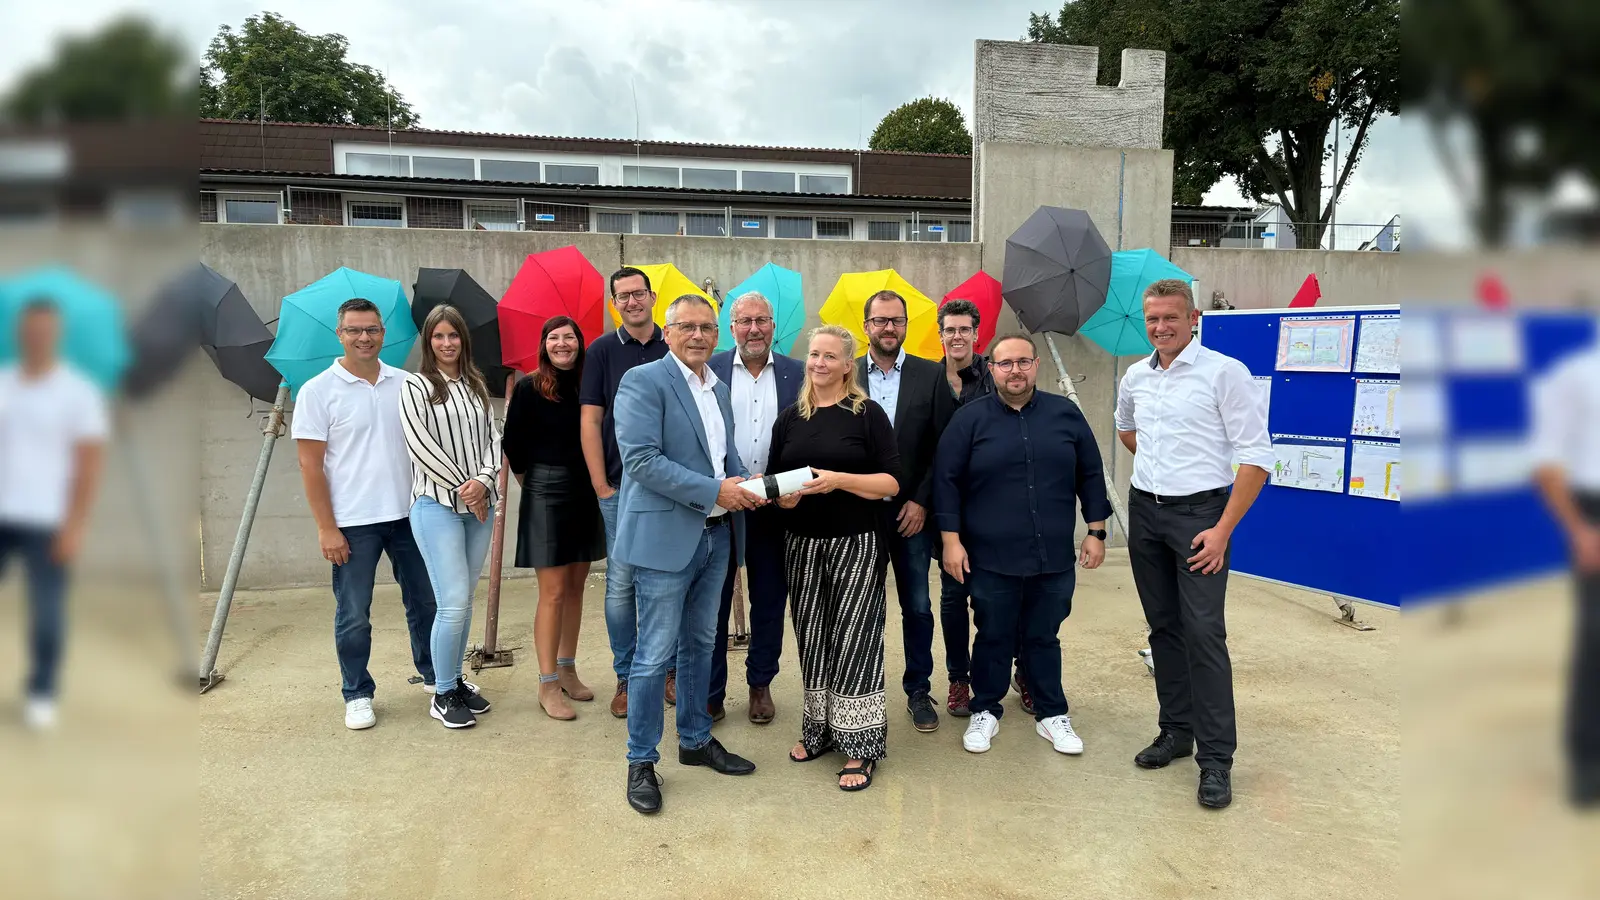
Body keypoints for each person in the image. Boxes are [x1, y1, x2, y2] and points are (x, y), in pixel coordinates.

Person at [1113, 278, 1273, 810]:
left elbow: (1256, 458)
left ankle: (1216, 760)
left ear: (1194, 317)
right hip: (1147, 512)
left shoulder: (1224, 373)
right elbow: (1127, 429)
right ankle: (1176, 732)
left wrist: (1222, 528)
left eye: (1171, 318)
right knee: (1164, 628)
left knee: (1204, 633)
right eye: (1153, 319)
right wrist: (1161, 464)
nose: (1161, 328)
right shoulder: (1136, 375)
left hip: (1202, 518)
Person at [612, 294, 761, 815]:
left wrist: (750, 483)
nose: (698, 335)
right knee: (653, 655)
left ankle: (696, 740)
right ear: (668, 331)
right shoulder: (644, 381)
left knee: (701, 644)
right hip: (665, 538)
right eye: (687, 327)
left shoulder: (715, 387)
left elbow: (724, 457)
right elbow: (642, 461)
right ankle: (641, 760)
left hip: (717, 536)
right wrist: (716, 490)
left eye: (706, 327)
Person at [935, 334, 1110, 756]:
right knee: (993, 633)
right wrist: (951, 542)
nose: (1015, 370)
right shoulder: (969, 420)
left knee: (1043, 634)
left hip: (1051, 554)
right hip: (990, 556)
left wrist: (1096, 530)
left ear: (1035, 366)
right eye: (1005, 363)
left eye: (1023, 362)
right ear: (991, 369)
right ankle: (985, 710)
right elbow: (946, 482)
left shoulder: (1066, 415)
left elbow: (1090, 473)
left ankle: (1052, 714)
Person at [293, 298, 440, 731]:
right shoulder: (318, 391)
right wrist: (326, 527)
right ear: (339, 335)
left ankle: (437, 678)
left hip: (410, 515)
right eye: (354, 330)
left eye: (372, 329)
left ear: (383, 334)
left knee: (427, 603)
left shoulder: (407, 384)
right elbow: (309, 466)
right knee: (354, 613)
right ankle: (357, 692)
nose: (364, 337)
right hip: (353, 523)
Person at [771, 325, 901, 792]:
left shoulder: (868, 415)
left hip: (856, 542)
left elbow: (890, 483)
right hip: (802, 544)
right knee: (812, 639)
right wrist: (781, 498)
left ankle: (860, 746)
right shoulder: (790, 417)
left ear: (849, 365)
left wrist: (838, 480)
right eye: (814, 355)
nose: (819, 363)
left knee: (856, 640)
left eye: (830, 356)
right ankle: (819, 729)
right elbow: (777, 481)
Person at [0, 299, 107, 730]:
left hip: (49, 520)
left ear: (55, 335)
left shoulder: (76, 391)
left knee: (46, 612)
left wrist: (75, 524)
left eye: (45, 331)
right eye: (30, 331)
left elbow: (88, 462)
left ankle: (42, 692)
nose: (37, 338)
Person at [856, 290, 955, 734]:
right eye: (880, 321)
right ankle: (866, 690)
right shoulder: (846, 372)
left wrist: (922, 499)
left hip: (911, 513)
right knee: (863, 606)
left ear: (906, 327)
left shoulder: (929, 375)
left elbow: (945, 445)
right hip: (857, 514)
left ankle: (918, 689)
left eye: (896, 321)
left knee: (917, 605)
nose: (888, 328)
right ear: (866, 327)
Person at [400, 304, 501, 730]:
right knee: (453, 602)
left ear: (463, 340)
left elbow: (494, 437)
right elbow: (419, 445)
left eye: (453, 336)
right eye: (438, 336)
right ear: (428, 342)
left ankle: (456, 681)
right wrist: (467, 488)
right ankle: (441, 692)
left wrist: (483, 481)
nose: (446, 343)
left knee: (463, 602)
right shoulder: (416, 385)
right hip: (436, 507)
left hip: (479, 506)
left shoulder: (477, 384)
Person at [580, 267, 673, 718]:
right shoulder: (600, 351)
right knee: (620, 587)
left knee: (668, 581)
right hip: (621, 490)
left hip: (671, 489)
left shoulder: (672, 342)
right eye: (622, 297)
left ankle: (668, 670)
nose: (632, 302)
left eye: (638, 293)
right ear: (614, 304)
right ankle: (626, 675)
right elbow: (591, 421)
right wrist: (602, 485)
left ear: (652, 296)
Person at [504, 315, 607, 720]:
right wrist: (537, 484)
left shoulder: (589, 385)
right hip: (545, 490)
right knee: (553, 591)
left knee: (578, 586)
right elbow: (514, 445)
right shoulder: (530, 386)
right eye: (554, 338)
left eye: (569, 337)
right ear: (544, 345)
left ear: (580, 344)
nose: (562, 344)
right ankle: (546, 682)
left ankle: (567, 669)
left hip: (586, 490)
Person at [707, 291, 802, 724]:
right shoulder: (709, 372)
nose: (754, 329)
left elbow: (807, 438)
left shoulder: (797, 375)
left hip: (776, 503)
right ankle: (710, 688)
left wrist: (794, 486)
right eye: (744, 321)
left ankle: (760, 683)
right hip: (723, 500)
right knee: (712, 598)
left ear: (773, 325)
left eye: (761, 320)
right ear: (732, 328)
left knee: (769, 598)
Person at [930, 298, 1019, 719]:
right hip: (946, 506)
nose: (957, 336)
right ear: (940, 333)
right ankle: (958, 679)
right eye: (950, 329)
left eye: (965, 329)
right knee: (953, 598)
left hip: (994, 507)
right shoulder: (928, 378)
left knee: (1004, 599)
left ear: (976, 334)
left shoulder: (995, 374)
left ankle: (1020, 671)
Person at [1531, 335, 1600, 809]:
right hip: (1592, 511)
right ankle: (1586, 763)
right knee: (1595, 640)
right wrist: (1579, 529)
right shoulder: (1575, 375)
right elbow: (1547, 459)